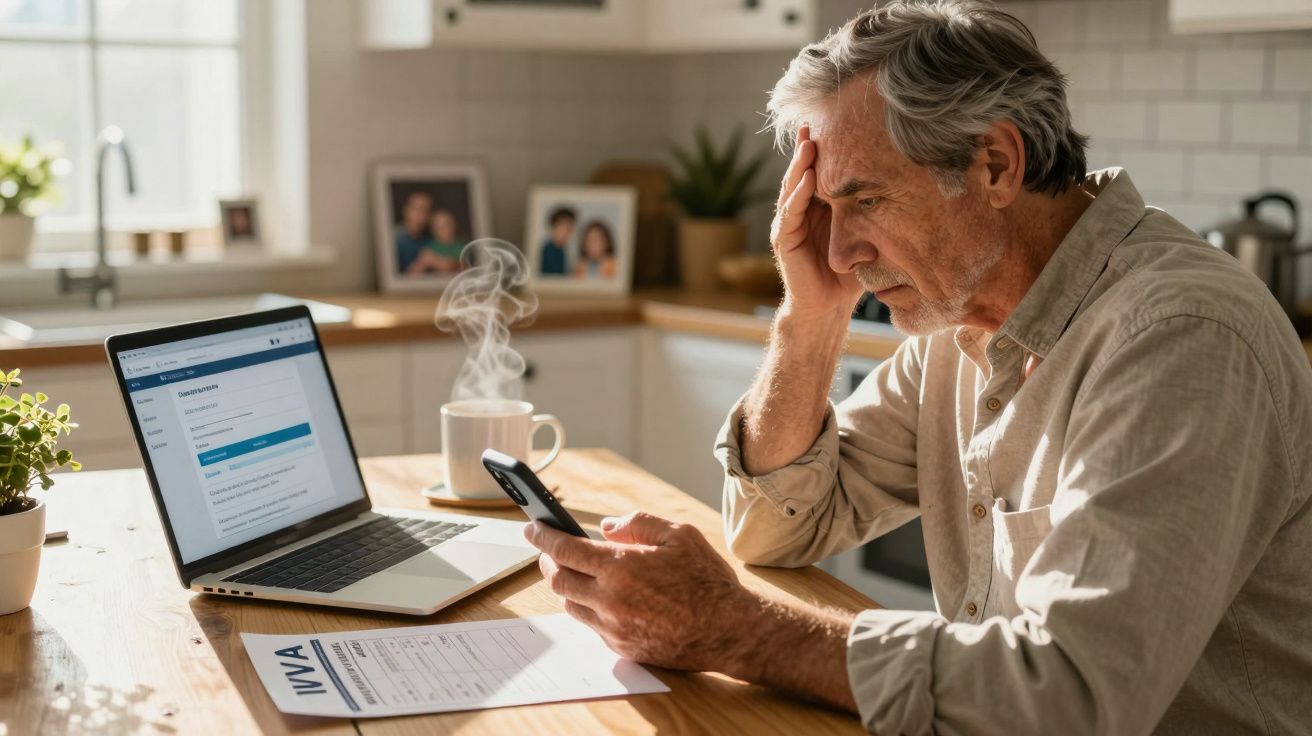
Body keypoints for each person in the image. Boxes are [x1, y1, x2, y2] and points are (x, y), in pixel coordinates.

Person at [520, 2, 1312, 734]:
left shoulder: (1177, 338)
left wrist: (738, 629)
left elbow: (1069, 696)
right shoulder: (962, 325)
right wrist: (812, 316)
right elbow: (775, 529)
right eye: (824, 210)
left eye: (865, 202)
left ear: (996, 164)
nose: (838, 251)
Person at [407, 208, 466, 275]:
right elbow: (414, 270)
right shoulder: (430, 247)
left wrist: (433, 260)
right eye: (436, 226)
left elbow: (452, 265)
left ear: (453, 226)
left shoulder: (459, 246)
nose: (441, 229)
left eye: (445, 225)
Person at [394, 190, 433, 274]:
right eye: (415, 208)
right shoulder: (394, 239)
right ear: (405, 210)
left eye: (424, 210)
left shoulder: (430, 241)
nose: (419, 214)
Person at [540, 206, 575, 276]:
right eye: (562, 226)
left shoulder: (564, 251)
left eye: (569, 228)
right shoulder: (545, 251)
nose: (565, 233)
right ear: (553, 226)